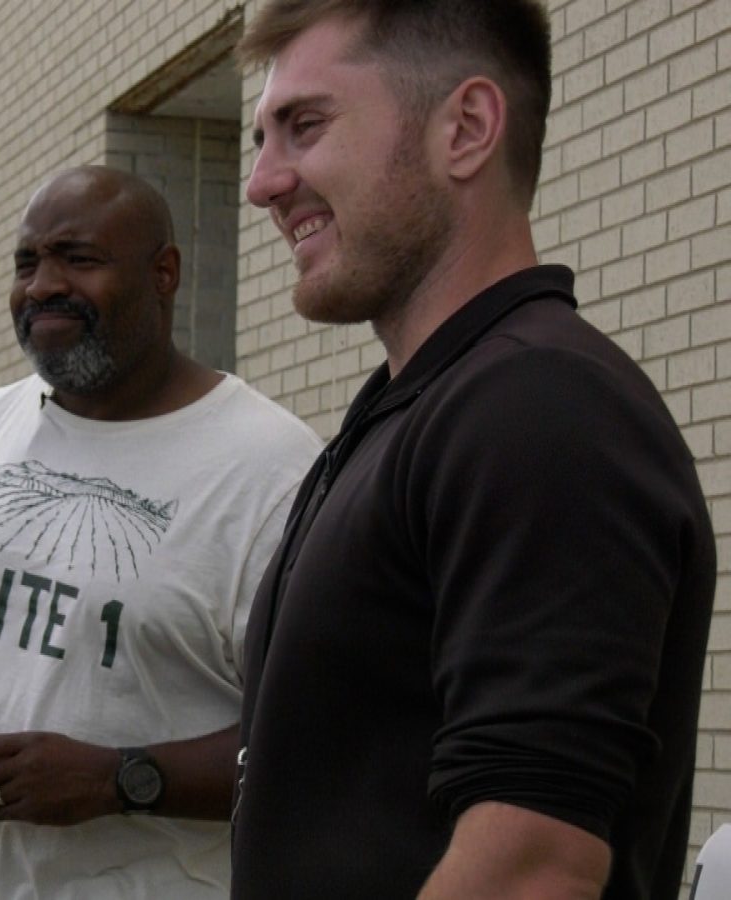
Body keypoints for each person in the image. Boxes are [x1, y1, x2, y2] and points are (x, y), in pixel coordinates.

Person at [232, 3, 716, 898]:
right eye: (262, 138)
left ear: (466, 129)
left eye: (305, 126)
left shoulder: (540, 409)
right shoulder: (416, 411)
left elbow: (532, 866)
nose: (262, 182)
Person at [0, 165, 321, 898]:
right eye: (26, 263)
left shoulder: (273, 472)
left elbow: (322, 749)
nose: (43, 284)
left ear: (164, 273)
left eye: (78, 259)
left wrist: (121, 780)